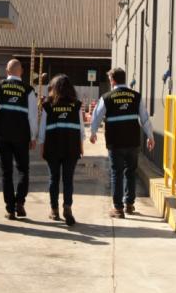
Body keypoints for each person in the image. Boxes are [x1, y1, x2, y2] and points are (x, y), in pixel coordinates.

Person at [89, 67, 154, 218]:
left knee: (116, 173)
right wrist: (150, 135)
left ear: (112, 80)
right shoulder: (135, 96)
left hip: (115, 142)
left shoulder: (107, 97)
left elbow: (96, 115)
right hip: (132, 141)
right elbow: (144, 118)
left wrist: (92, 133)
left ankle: (118, 208)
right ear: (124, 79)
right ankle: (129, 204)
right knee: (130, 172)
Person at [0, 59, 38, 220]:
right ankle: (20, 202)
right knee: (23, 170)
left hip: (2, 134)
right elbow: (33, 116)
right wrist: (33, 137)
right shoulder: (28, 90)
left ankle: (10, 209)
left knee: (6, 172)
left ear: (6, 71)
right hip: (22, 135)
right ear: (22, 72)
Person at [38, 74, 85, 225]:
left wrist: (41, 145)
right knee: (68, 179)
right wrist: (81, 146)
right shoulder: (76, 104)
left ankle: (54, 210)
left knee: (54, 179)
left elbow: (42, 128)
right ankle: (68, 208)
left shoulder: (48, 104)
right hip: (71, 147)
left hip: (53, 147)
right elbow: (81, 129)